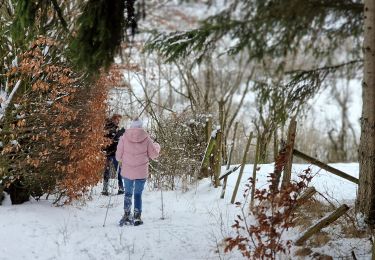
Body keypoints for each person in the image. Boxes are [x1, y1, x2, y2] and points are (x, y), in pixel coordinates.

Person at [116, 118, 160, 226]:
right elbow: (154, 155)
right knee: (138, 194)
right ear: (141, 126)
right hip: (141, 171)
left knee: (128, 193)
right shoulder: (146, 138)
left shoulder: (124, 137)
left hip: (127, 171)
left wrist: (122, 159)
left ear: (132, 126)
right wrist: (157, 146)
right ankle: (137, 216)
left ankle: (126, 214)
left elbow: (118, 156)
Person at [101, 114, 125, 196]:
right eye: (117, 120)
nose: (118, 121)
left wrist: (121, 134)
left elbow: (117, 141)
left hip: (115, 152)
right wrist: (117, 135)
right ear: (114, 119)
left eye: (119, 120)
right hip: (108, 153)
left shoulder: (115, 127)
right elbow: (109, 140)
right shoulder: (108, 127)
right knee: (107, 170)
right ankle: (105, 189)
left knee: (118, 170)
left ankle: (121, 188)